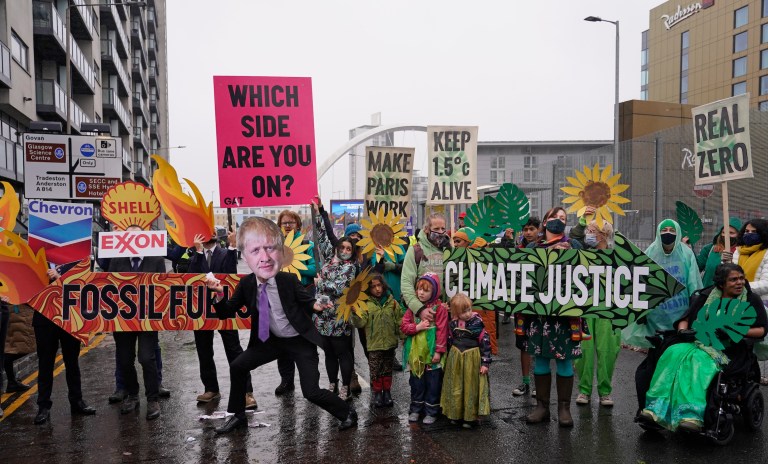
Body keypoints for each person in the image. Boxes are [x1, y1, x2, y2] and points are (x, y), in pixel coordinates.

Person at [205, 217, 356, 434]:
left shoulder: (287, 280)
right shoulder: (247, 284)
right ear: (247, 258)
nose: (264, 259)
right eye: (255, 252)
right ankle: (237, 416)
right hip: (270, 341)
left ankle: (347, 412)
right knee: (238, 365)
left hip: (299, 342)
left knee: (310, 391)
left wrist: (318, 305)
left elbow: (307, 301)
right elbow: (226, 312)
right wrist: (219, 295)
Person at [639, 264, 767, 432]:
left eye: (741, 278)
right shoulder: (706, 297)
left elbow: (761, 330)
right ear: (721, 284)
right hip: (699, 343)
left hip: (730, 350)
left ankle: (690, 416)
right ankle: (655, 409)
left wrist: (735, 330)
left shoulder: (751, 300)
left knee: (699, 362)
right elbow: (685, 318)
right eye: (733, 279)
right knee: (671, 353)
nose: (739, 282)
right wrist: (683, 331)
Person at [524, 206, 583, 427]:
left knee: (565, 360)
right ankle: (542, 407)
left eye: (563, 218)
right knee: (540, 359)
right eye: (554, 218)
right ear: (545, 222)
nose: (558, 221)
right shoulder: (532, 246)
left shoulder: (574, 245)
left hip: (566, 316)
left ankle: (564, 409)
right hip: (539, 315)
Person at [189, 228, 256, 410]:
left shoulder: (226, 253)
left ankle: (246, 392)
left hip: (224, 307)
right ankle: (211, 388)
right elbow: (196, 275)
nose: (208, 232)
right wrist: (199, 253)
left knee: (234, 350)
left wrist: (233, 246)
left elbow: (230, 273)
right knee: (204, 350)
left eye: (211, 228)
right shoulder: (195, 253)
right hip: (201, 311)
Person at [108, 231, 166, 420]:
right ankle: (132, 395)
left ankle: (152, 399)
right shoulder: (116, 260)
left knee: (146, 358)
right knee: (125, 360)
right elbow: (107, 286)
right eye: (129, 236)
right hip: (123, 320)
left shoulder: (156, 260)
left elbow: (163, 289)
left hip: (148, 320)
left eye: (137, 236)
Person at [30, 263, 96, 425]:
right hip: (44, 319)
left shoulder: (75, 262)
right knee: (45, 363)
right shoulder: (37, 261)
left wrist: (60, 279)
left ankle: (77, 401)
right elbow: (28, 291)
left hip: (69, 318)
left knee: (72, 362)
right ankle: (43, 406)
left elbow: (83, 288)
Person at [622, 219, 702, 348]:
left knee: (677, 347)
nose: (668, 233)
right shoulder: (650, 253)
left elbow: (693, 280)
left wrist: (694, 304)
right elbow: (640, 281)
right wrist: (640, 309)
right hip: (657, 313)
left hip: (680, 311)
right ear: (658, 233)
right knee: (658, 349)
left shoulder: (686, 254)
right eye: (664, 230)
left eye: (672, 230)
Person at [572, 219, 621, 407]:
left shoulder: (618, 257)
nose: (588, 234)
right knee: (584, 350)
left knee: (608, 349)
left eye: (592, 231)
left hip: (609, 310)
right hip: (585, 308)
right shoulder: (584, 255)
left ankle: (605, 391)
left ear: (603, 234)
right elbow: (574, 238)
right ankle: (584, 390)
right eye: (587, 230)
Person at [312, 204, 358, 400]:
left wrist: (322, 282)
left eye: (349, 248)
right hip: (323, 316)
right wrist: (319, 212)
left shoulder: (351, 267)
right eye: (343, 247)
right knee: (329, 353)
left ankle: (345, 387)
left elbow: (340, 288)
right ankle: (333, 383)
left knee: (342, 353)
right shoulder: (330, 260)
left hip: (339, 316)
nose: (345, 250)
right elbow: (323, 235)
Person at [274, 209, 317, 396]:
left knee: (307, 339)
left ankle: (311, 381)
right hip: (281, 298)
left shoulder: (308, 244)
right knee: (282, 340)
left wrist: (292, 267)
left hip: (304, 296)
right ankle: (286, 380)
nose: (288, 225)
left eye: (292, 222)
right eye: (285, 223)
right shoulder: (274, 246)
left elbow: (314, 269)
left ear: (298, 225)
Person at [401, 272, 448, 425]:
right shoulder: (413, 308)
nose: (421, 293)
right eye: (419, 289)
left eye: (426, 290)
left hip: (431, 353)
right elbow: (404, 327)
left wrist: (438, 352)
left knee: (433, 383)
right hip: (416, 355)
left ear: (434, 291)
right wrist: (418, 326)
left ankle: (431, 410)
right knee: (416, 382)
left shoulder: (439, 309)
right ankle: (416, 409)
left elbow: (442, 330)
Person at [351, 273, 403, 408]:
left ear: (383, 286)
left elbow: (399, 321)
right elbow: (361, 323)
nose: (377, 289)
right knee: (376, 371)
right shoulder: (366, 304)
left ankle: (387, 393)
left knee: (387, 370)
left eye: (379, 285)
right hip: (374, 345)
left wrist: (404, 337)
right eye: (373, 287)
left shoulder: (393, 303)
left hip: (390, 344)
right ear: (369, 289)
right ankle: (377, 393)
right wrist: (355, 313)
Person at [440, 293, 491, 428]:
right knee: (456, 386)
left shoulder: (477, 322)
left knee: (470, 387)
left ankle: (470, 417)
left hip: (472, 359)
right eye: (464, 312)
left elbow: (485, 342)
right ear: (456, 313)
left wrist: (485, 362)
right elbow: (449, 340)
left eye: (469, 309)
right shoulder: (453, 324)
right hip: (456, 359)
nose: (468, 314)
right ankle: (455, 414)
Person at [731, 218, 768, 385]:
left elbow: (766, 284)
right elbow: (728, 276)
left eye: (754, 232)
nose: (749, 235)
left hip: (760, 305)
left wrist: (740, 286)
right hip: (736, 304)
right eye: (747, 231)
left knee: (754, 345)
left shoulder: (766, 253)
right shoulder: (738, 251)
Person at [509, 217, 541, 396]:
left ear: (539, 230)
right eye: (526, 230)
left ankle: (539, 384)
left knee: (539, 344)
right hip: (522, 304)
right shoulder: (518, 250)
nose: (528, 233)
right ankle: (525, 382)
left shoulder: (545, 248)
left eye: (531, 229)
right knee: (523, 345)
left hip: (540, 305)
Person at [400, 213, 451, 314]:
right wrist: (419, 309)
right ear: (427, 229)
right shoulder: (415, 251)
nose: (440, 232)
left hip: (445, 311)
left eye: (443, 228)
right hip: (423, 311)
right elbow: (406, 283)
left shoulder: (449, 250)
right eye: (436, 229)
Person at [696, 217, 741, 288]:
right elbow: (696, 267)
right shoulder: (710, 249)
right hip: (707, 293)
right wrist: (689, 251)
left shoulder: (742, 252)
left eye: (731, 233)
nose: (727, 236)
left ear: (739, 235)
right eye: (724, 232)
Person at [2, 304, 34, 396]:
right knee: (22, 347)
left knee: (14, 347)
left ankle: (12, 381)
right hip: (17, 309)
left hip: (17, 310)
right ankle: (12, 381)